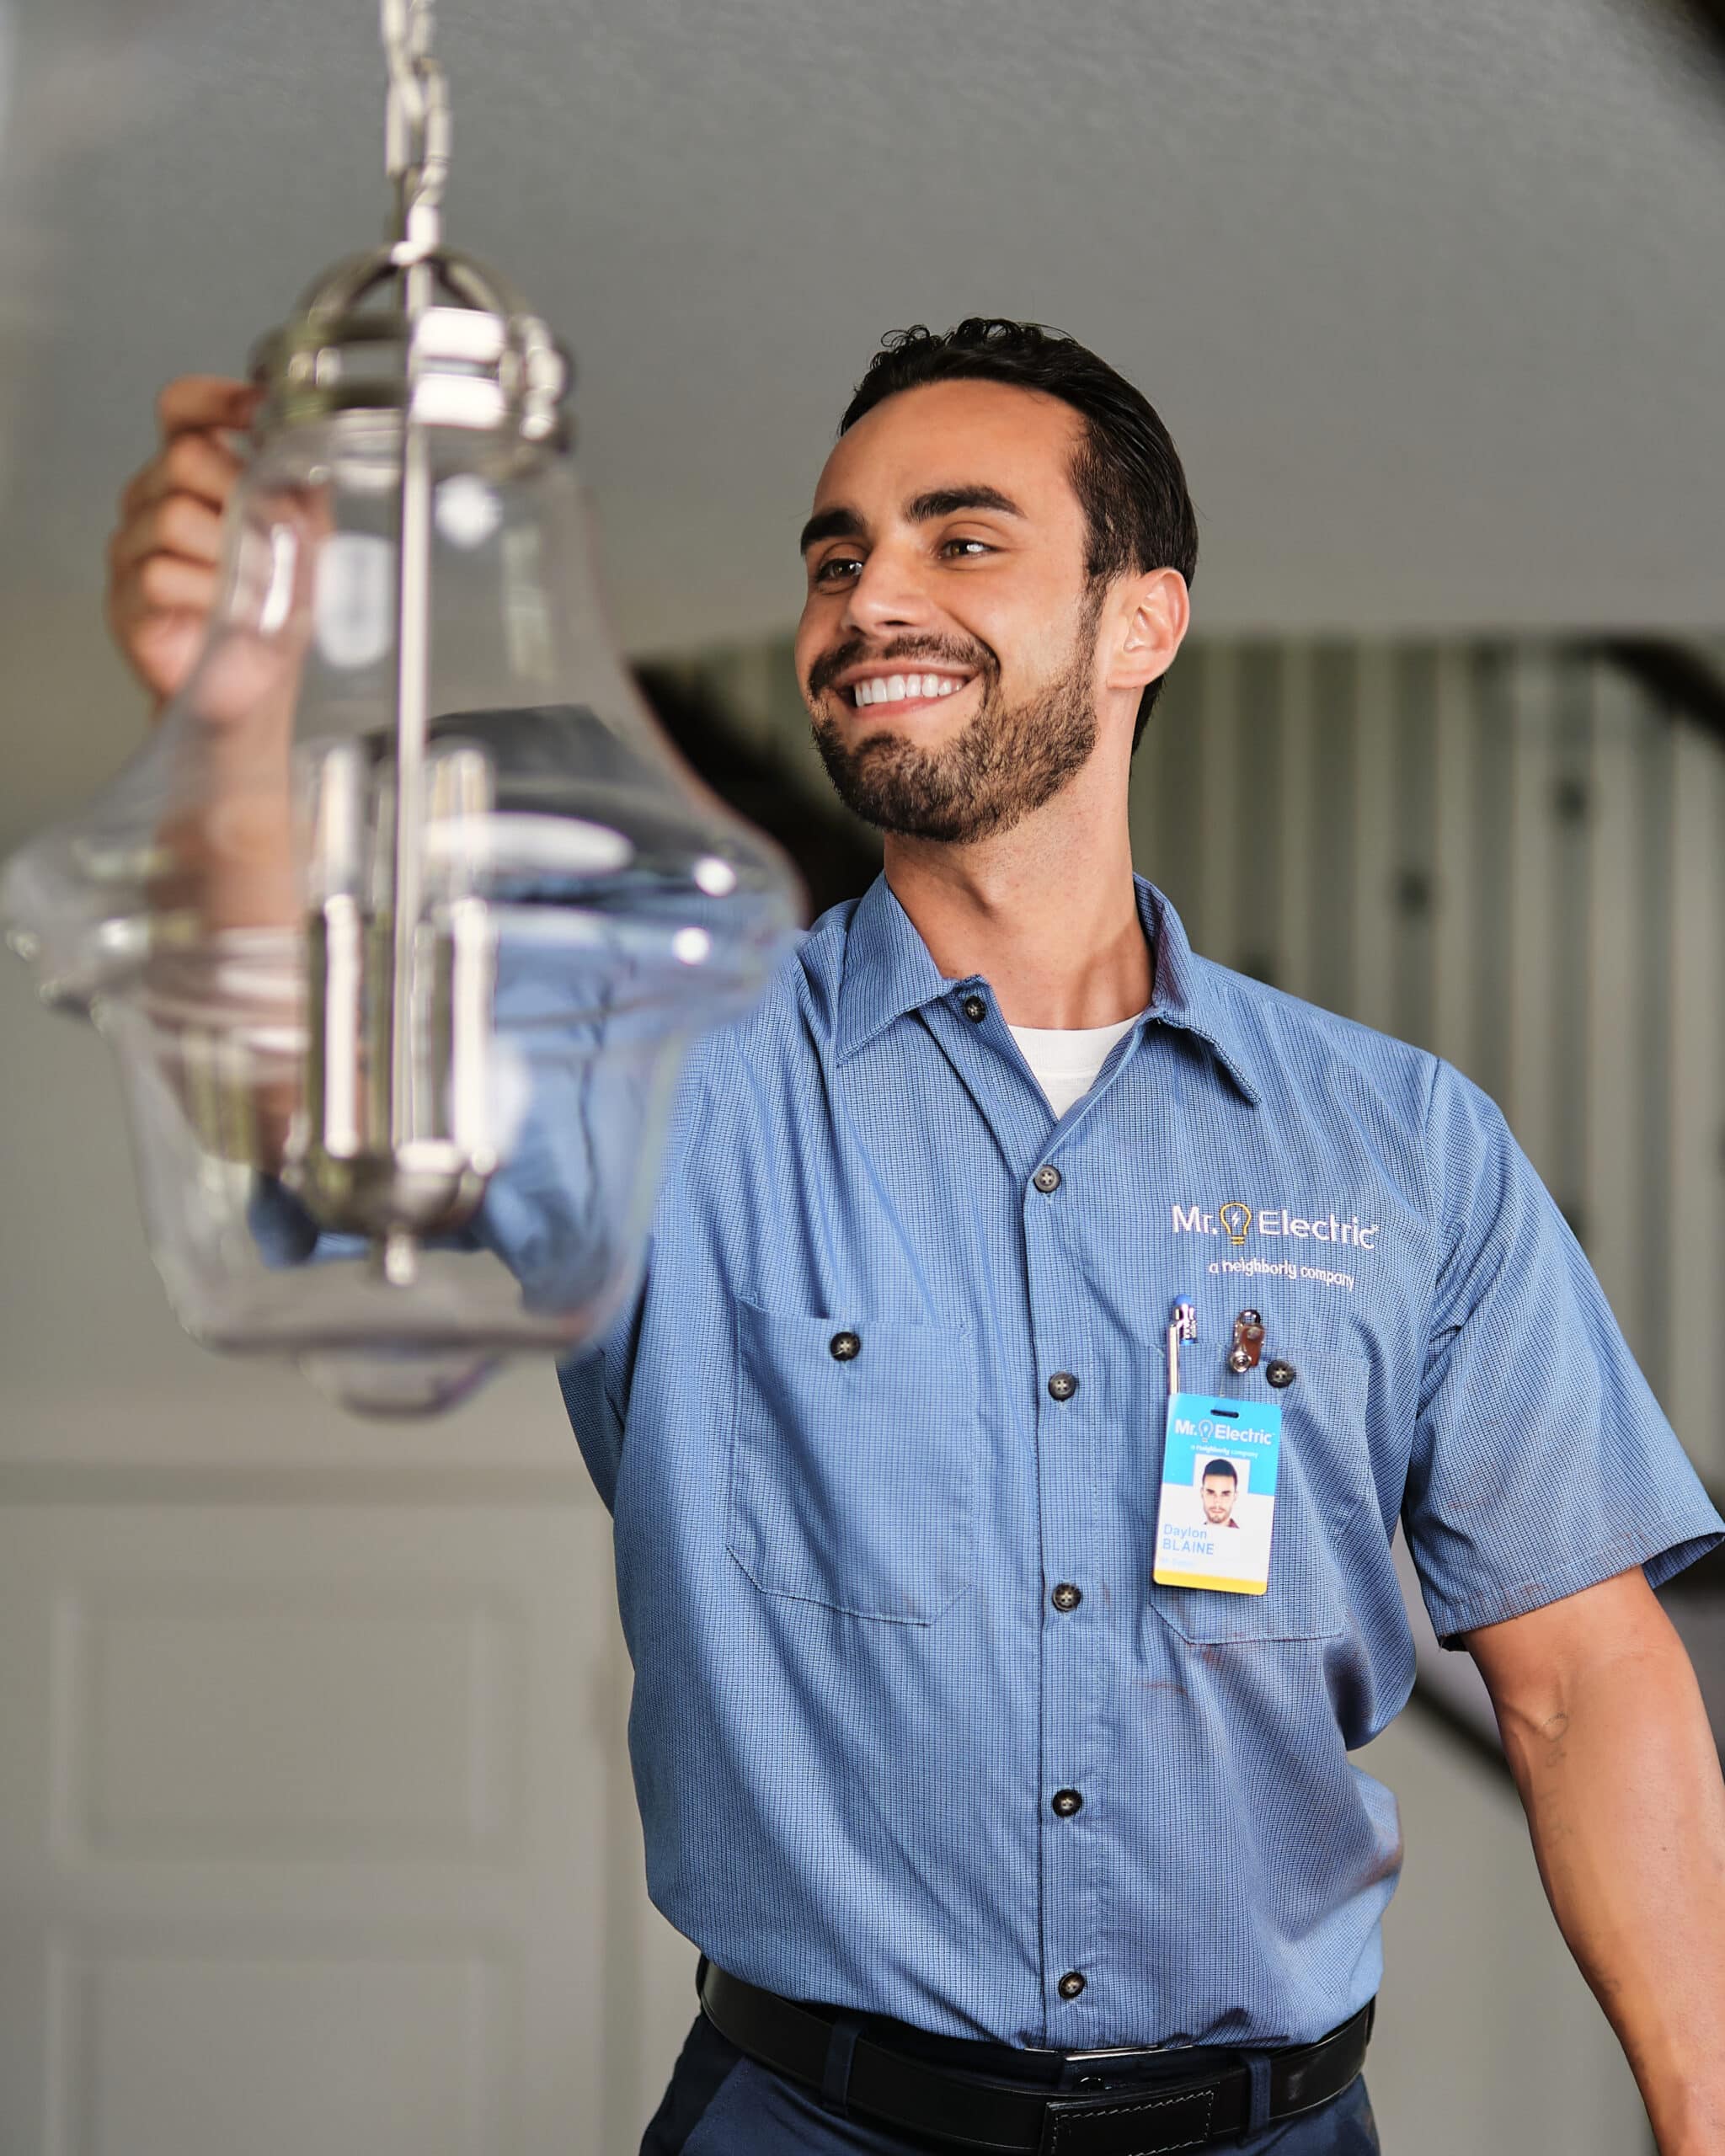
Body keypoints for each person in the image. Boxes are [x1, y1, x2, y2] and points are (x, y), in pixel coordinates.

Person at [106, 322, 1725, 2156]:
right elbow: (303, 1112)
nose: (870, 594)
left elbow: (1586, 1678)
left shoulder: (1404, 1144)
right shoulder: (655, 1072)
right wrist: (227, 721)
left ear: (1141, 622)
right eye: (834, 553)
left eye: (961, 540)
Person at [1200, 1461, 1242, 1529]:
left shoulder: (1247, 1539)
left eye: (1225, 1494)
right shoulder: (1187, 1537)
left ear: (1235, 1496)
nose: (1217, 1502)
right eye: (1211, 1493)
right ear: (1202, 1493)